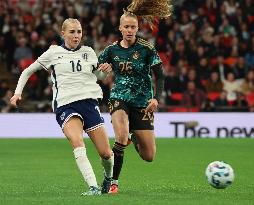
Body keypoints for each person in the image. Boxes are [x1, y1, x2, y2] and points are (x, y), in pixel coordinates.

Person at [10, 18, 114, 196]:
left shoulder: (89, 52)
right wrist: (17, 92)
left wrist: (104, 71)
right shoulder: (53, 52)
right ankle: (93, 187)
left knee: (106, 154)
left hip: (89, 103)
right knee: (77, 142)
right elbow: (28, 71)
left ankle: (108, 178)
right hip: (66, 104)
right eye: (72, 32)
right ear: (63, 33)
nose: (76, 35)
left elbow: (98, 77)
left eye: (79, 32)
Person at [98, 0, 172, 194]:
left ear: (137, 28)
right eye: (126, 27)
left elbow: (160, 75)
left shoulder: (147, 49)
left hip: (142, 103)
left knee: (149, 156)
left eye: (133, 27)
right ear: (120, 28)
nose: (130, 30)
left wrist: (156, 98)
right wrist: (102, 70)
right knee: (120, 137)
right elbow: (95, 72)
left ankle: (134, 136)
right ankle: (112, 182)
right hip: (119, 97)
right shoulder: (111, 50)